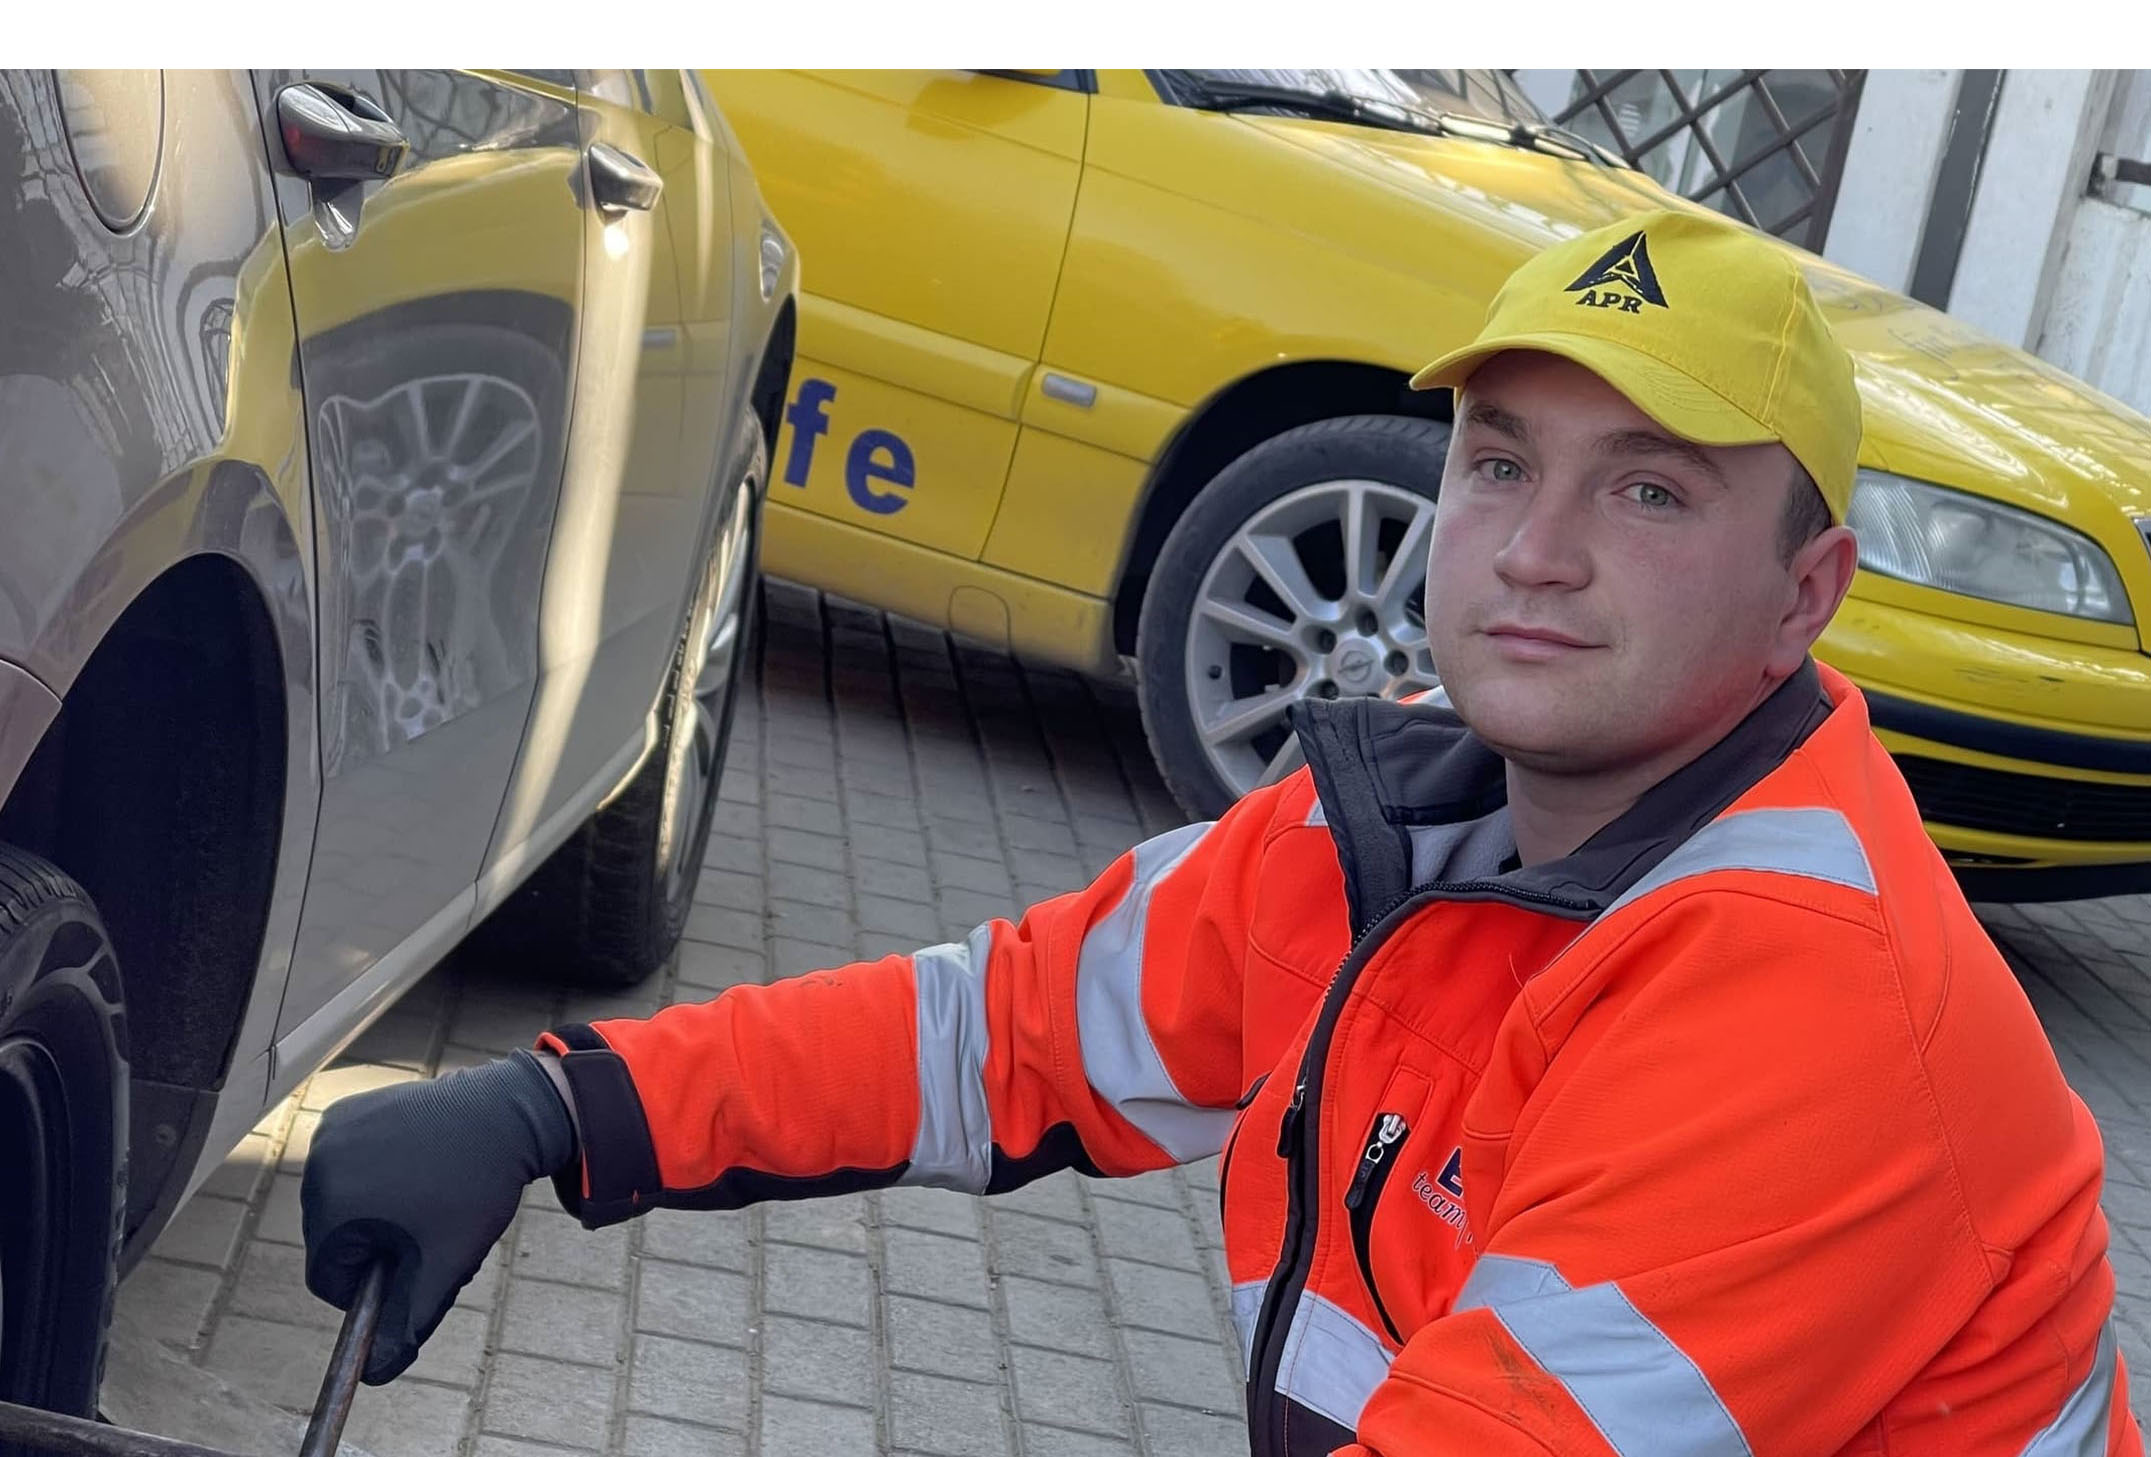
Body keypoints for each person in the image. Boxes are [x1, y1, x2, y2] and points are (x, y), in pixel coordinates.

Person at [302, 209, 2142, 1456]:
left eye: (1649, 492)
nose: (1535, 550)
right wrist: (561, 1106)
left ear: (1807, 594)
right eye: (1501, 462)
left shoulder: (1816, 1001)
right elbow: (998, 1033)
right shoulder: (1405, 829)